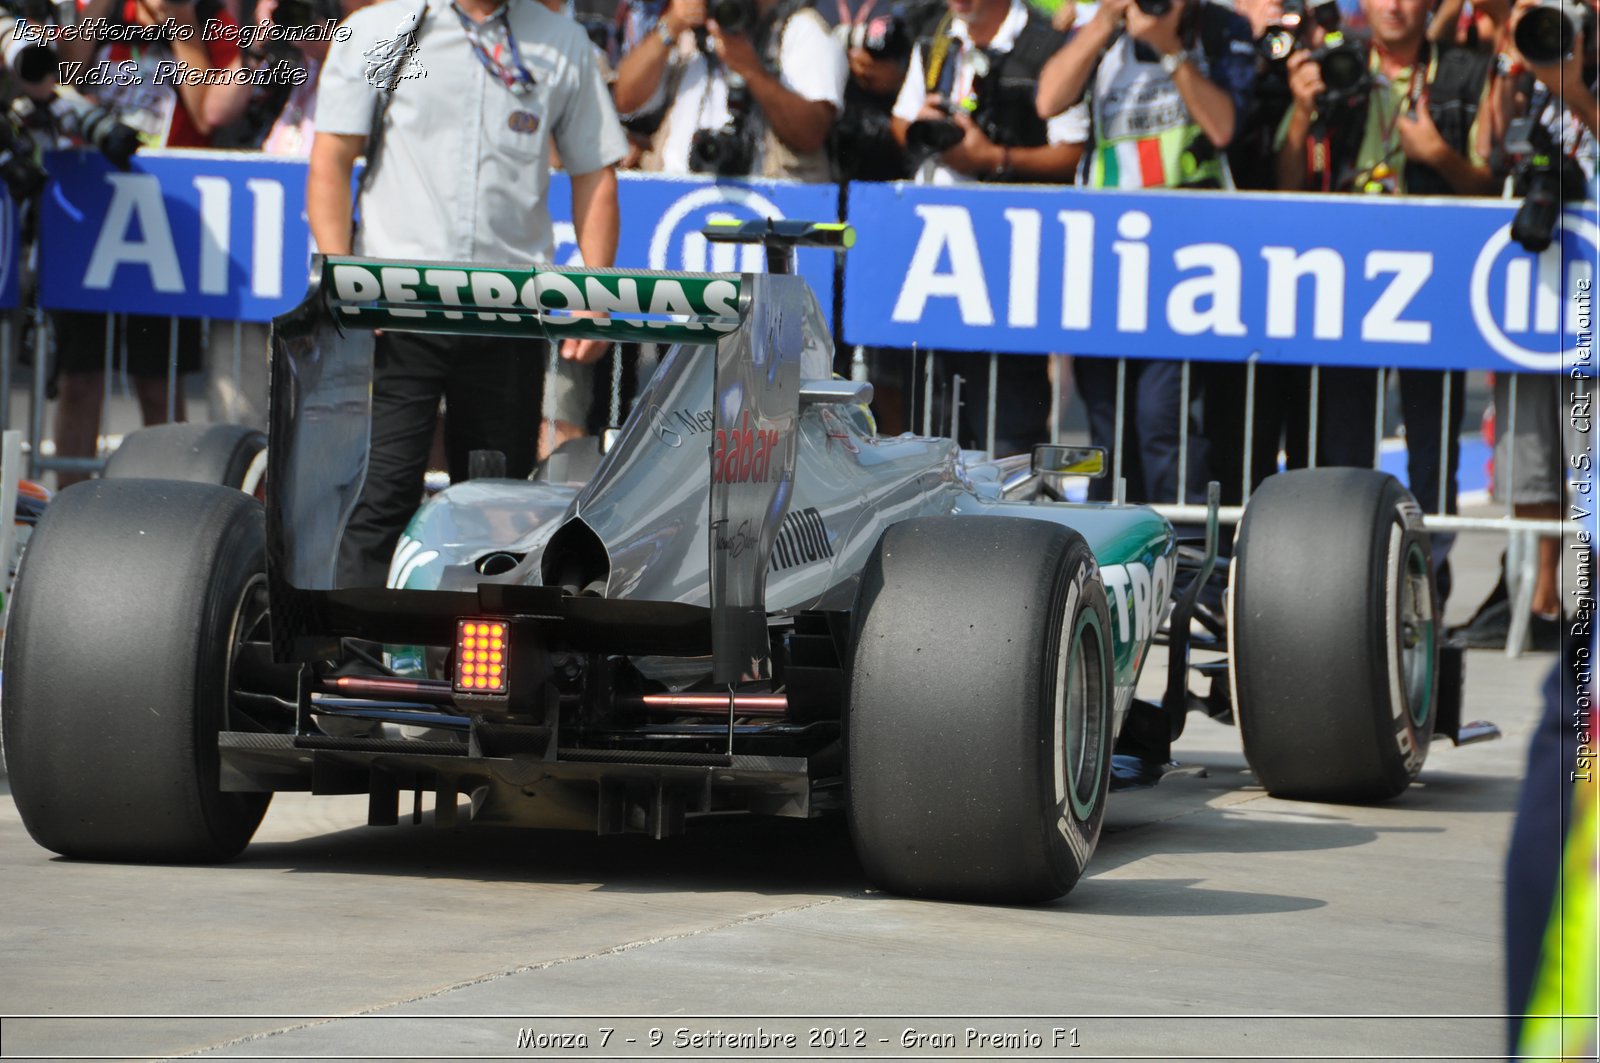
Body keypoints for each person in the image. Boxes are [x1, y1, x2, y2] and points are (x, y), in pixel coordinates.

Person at [309, 0, 626, 588]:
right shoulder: (382, 29)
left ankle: (478, 672)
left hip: (505, 315)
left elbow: (596, 174)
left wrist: (595, 290)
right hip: (396, 308)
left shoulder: (561, 42)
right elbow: (329, 158)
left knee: (497, 511)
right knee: (378, 495)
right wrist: (341, 280)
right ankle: (355, 661)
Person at [1276, 0, 1497, 601]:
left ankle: (1426, 587)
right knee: (1339, 448)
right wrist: (1301, 113)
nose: (1394, 6)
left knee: (1433, 445)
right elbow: (1286, 182)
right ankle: (1336, 592)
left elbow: (1490, 184)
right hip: (1345, 283)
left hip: (1436, 282)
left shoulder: (1465, 72)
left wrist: (1436, 156)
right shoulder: (1333, 64)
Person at [1036, 0, 1254, 500]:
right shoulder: (1104, 26)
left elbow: (1222, 127)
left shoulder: (1218, 28)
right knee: (1108, 430)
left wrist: (1170, 47)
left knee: (1164, 423)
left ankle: (1187, 559)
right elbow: (1048, 100)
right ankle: (1112, 559)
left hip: (1189, 259)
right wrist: (1103, 23)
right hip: (1109, 254)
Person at [50, 0, 254, 488]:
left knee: (158, 380)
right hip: (91, 211)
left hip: (168, 214)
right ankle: (61, 511)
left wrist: (179, 25)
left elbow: (207, 116)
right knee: (80, 379)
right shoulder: (96, 12)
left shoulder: (209, 21)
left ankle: (166, 516)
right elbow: (66, 80)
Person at [1451, 0, 1597, 649]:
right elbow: (1488, 152)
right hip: (1536, 294)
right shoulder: (1536, 87)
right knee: (1531, 460)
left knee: (1589, 457)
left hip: (1591, 295)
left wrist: (1574, 88)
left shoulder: (1576, 85)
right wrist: (1510, 80)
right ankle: (1540, 601)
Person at [881, 0, 1081, 453]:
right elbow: (901, 118)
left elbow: (1074, 152)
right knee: (928, 427)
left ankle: (1012, 522)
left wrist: (992, 159)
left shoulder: (1046, 41)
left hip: (1009, 259)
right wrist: (923, 127)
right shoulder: (935, 35)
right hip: (931, 252)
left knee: (1007, 428)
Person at [611, 0, 848, 179]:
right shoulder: (691, 28)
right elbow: (626, 101)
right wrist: (670, 26)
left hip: (769, 209)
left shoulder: (802, 29)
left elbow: (810, 133)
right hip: (677, 200)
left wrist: (752, 71)